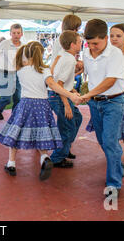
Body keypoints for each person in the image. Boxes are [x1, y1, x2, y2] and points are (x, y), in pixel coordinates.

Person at [0, 41, 82, 181]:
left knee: (16, 133)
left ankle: (11, 163)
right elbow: (53, 85)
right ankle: (44, 158)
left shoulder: (21, 69)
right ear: (41, 54)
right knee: (42, 133)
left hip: (25, 104)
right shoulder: (44, 70)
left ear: (26, 54)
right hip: (42, 105)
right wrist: (70, 94)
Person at [86, 24, 124, 169]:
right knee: (108, 130)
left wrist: (112, 82)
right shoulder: (101, 53)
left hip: (120, 94)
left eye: (118, 36)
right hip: (102, 93)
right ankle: (113, 154)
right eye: (112, 35)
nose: (114, 39)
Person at [80, 19, 124, 199]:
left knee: (109, 142)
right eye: (89, 43)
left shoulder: (115, 54)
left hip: (113, 102)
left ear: (106, 38)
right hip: (95, 103)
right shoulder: (86, 51)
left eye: (95, 43)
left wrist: (87, 94)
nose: (92, 47)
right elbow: (89, 69)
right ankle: (117, 167)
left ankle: (113, 184)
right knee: (103, 140)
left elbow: (110, 80)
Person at [48, 31, 83, 168]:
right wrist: (66, 104)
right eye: (80, 42)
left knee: (77, 118)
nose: (81, 44)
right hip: (59, 96)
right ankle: (57, 157)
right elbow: (59, 84)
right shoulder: (69, 59)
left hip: (59, 94)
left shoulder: (63, 55)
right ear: (73, 44)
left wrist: (72, 90)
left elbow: (61, 79)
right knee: (67, 127)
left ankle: (65, 148)